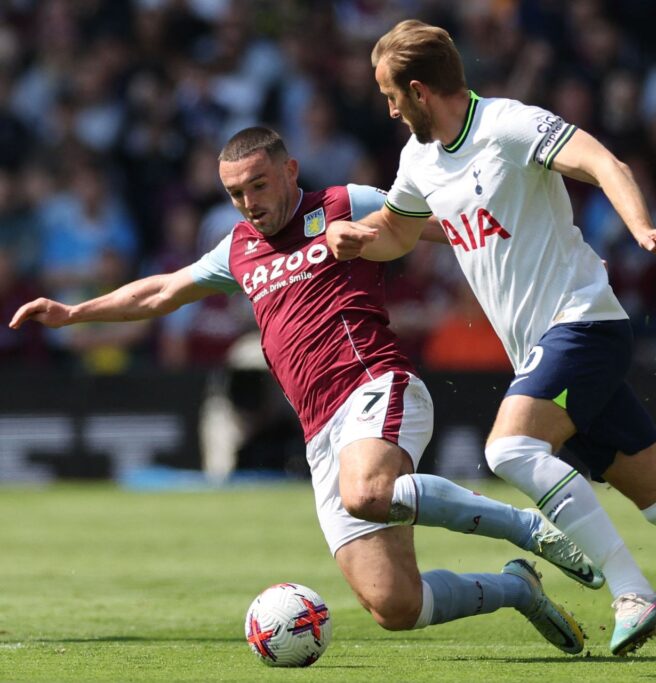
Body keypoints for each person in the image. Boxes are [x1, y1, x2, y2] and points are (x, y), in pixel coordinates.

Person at [326, 20, 656, 671]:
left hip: (583, 322)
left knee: (510, 447)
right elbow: (400, 232)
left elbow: (604, 162)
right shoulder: (418, 163)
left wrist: (641, 227)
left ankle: (633, 592)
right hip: (542, 349)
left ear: (417, 88)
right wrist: (360, 240)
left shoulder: (509, 125)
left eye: (390, 93)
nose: (386, 107)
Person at [8, 126, 603, 655]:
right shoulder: (238, 249)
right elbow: (161, 292)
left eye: (258, 186)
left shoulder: (346, 203)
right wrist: (75, 312)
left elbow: (453, 226)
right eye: (236, 193)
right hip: (320, 431)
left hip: (376, 382)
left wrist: (506, 240)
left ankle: (528, 528)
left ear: (289, 171)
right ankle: (515, 588)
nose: (248, 203)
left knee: (368, 492)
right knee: (395, 606)